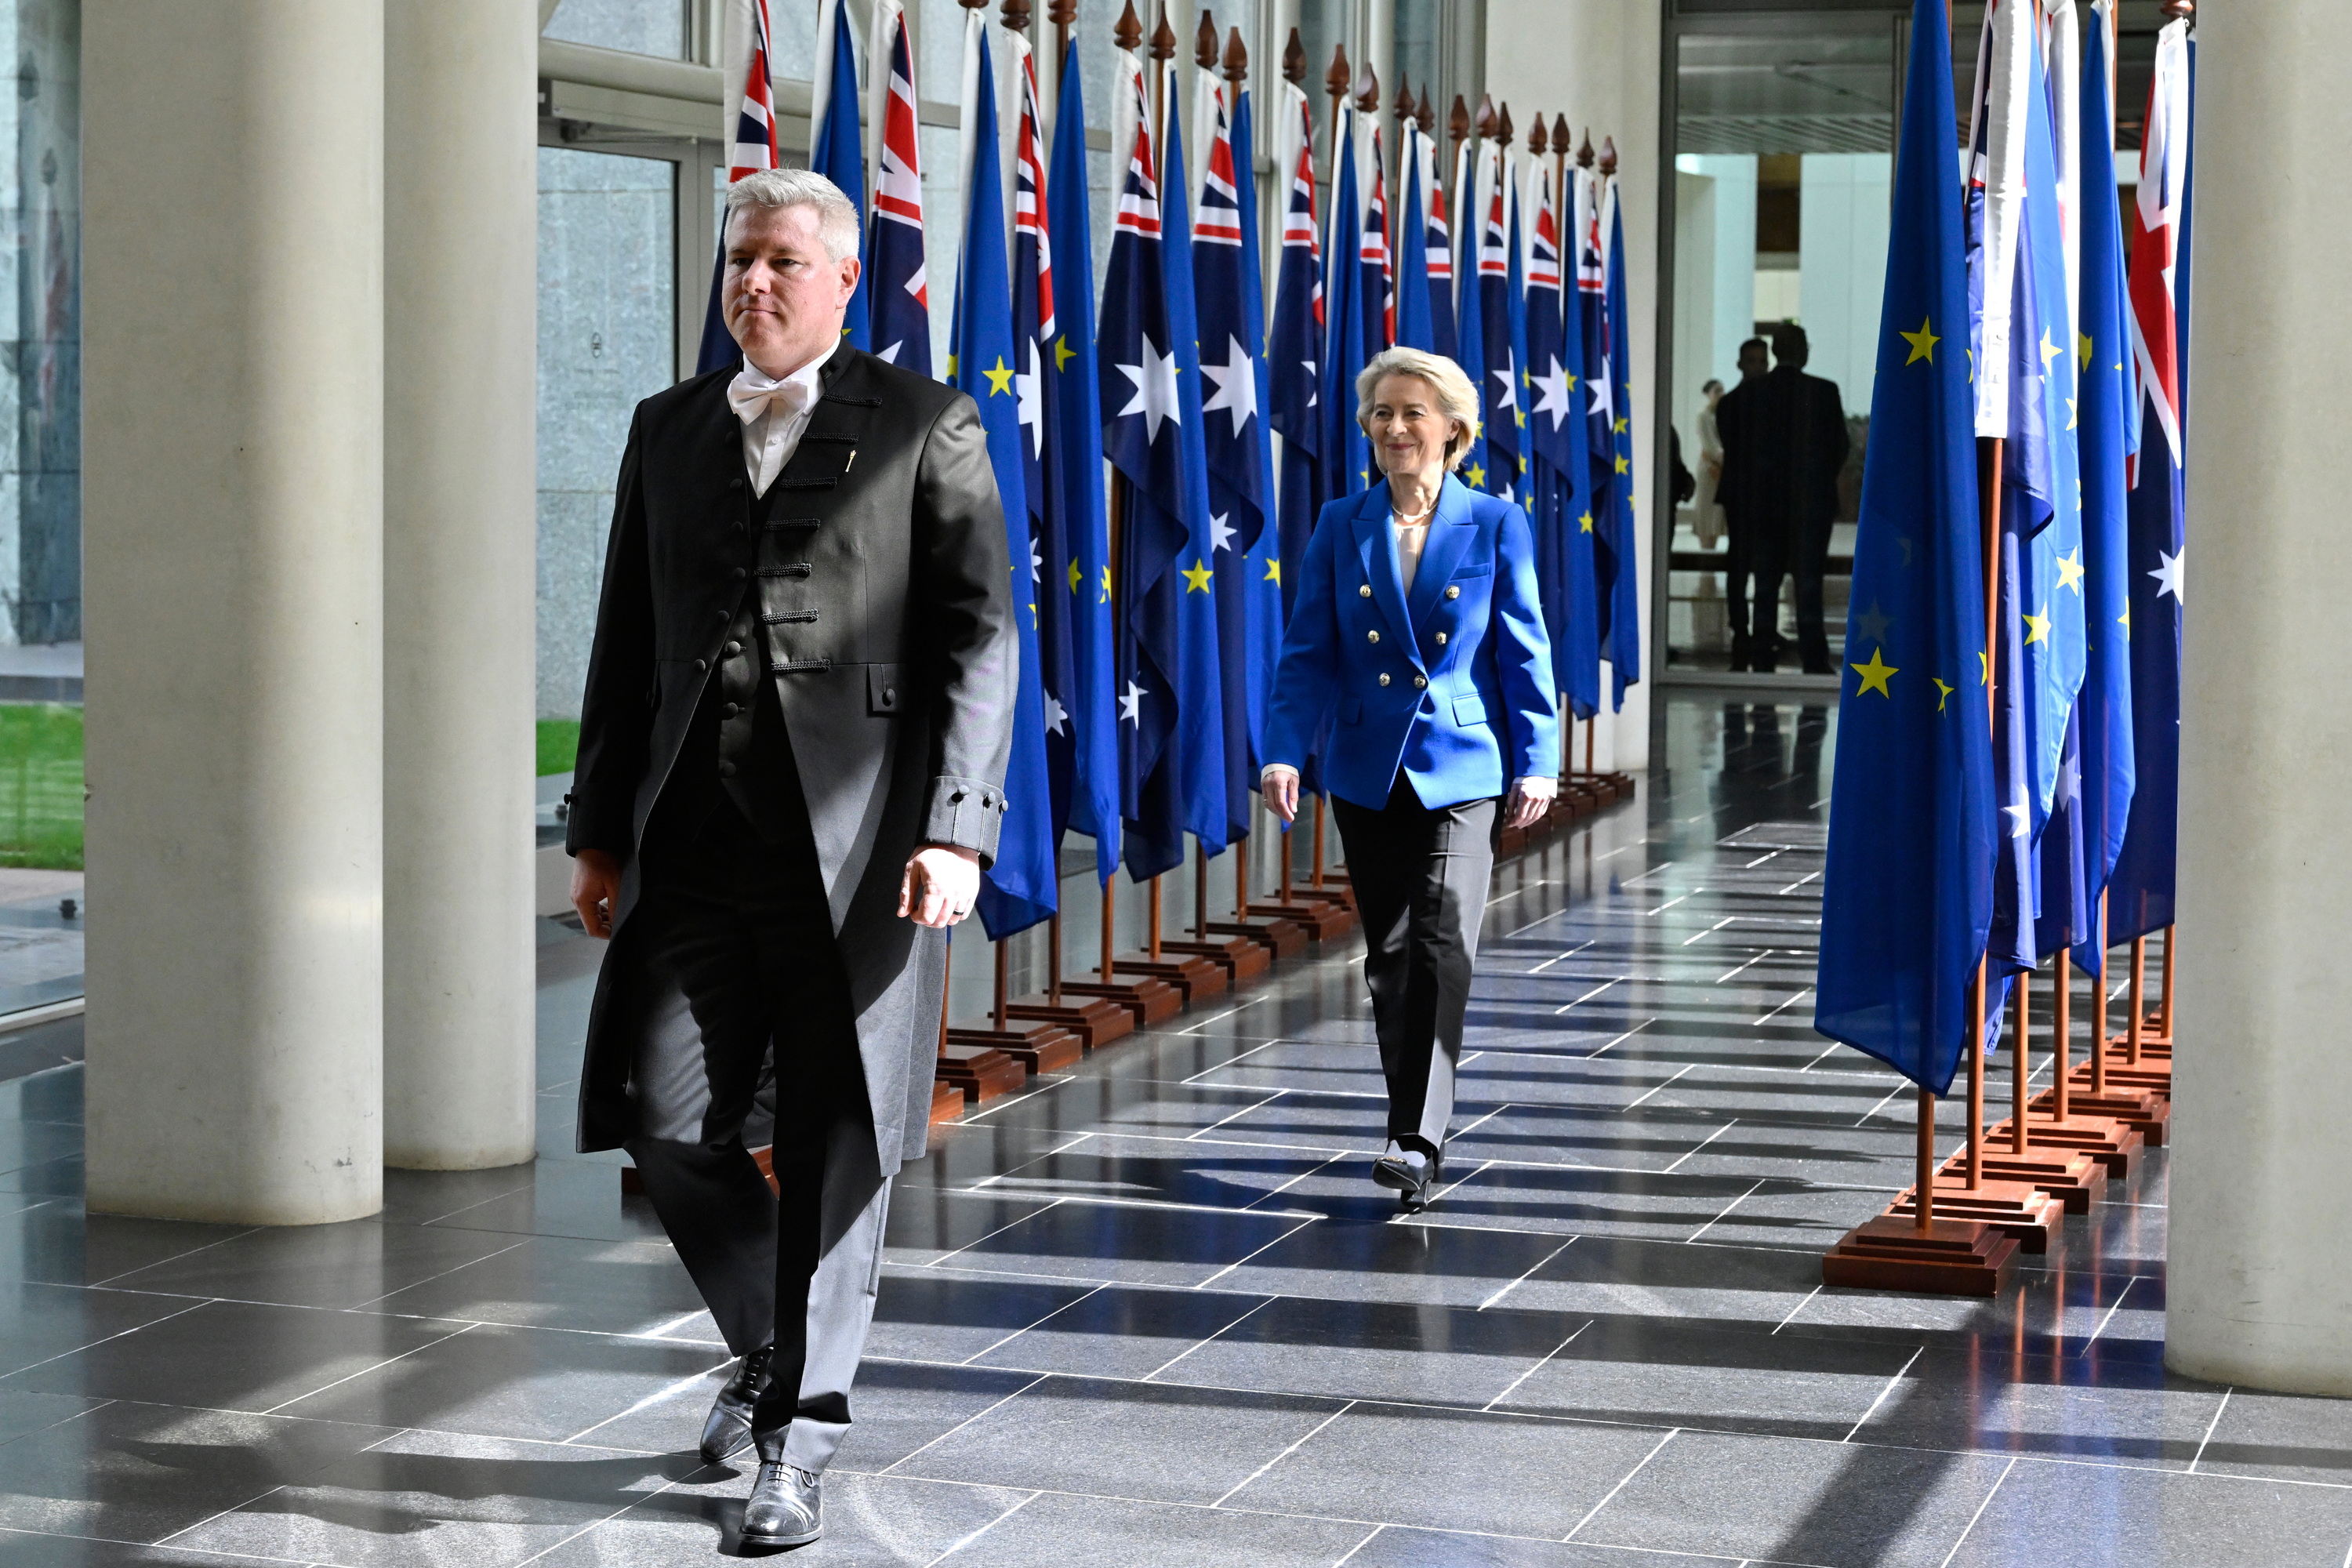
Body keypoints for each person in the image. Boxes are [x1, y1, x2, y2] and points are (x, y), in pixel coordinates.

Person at [564, 167, 1014, 1549]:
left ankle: (796, 1441)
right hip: (691, 845)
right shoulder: (667, 427)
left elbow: (980, 640)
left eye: (778, 261)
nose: (752, 284)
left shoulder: (927, 427)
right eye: (737, 260)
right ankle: (769, 1338)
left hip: (864, 853)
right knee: (662, 1115)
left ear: (840, 281)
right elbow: (625, 644)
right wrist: (593, 830)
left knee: (836, 1139)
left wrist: (956, 826)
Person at [1260, 347, 1560, 1210]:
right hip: (1364, 767)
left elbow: (1523, 650)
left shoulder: (1496, 523)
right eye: (1382, 414)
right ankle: (1408, 1121)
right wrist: (1286, 748)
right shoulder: (1339, 523)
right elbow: (1307, 651)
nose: (1395, 428)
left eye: (1413, 414)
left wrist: (1537, 757)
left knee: (1441, 939)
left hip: (1461, 768)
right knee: (1391, 954)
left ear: (1455, 430)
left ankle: (1416, 1136)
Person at [1750, 323, 1849, 673]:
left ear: (1775, 351)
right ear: (1803, 350)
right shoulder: (1823, 392)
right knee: (1808, 585)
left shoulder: (1755, 392)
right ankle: (1814, 660)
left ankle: (1760, 657)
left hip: (1765, 507)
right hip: (1810, 506)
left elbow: (1745, 449)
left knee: (1765, 584)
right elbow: (1840, 447)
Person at [1711, 338, 1773, 670]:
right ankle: (1741, 630)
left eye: (1762, 361)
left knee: (1767, 565)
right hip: (1741, 496)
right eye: (1751, 361)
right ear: (1739, 364)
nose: (1757, 367)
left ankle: (1763, 629)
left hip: (1769, 499)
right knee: (1738, 565)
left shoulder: (1776, 404)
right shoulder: (1731, 403)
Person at [1693, 379, 1726, 552]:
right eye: (1717, 391)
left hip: (1722, 468)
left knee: (1717, 512)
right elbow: (1710, 446)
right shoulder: (1703, 416)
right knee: (1707, 508)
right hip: (1709, 468)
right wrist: (1725, 460)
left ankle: (1712, 547)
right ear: (1708, 394)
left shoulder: (1722, 415)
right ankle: (1706, 548)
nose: (1721, 394)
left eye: (1722, 390)